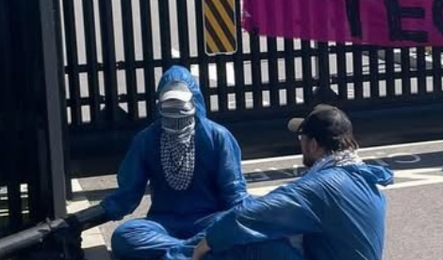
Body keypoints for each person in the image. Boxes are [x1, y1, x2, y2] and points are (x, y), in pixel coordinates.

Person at [190, 104, 394, 260]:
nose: (301, 146)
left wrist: (202, 247)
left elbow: (246, 217)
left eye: (301, 139)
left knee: (250, 243)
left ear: (313, 144)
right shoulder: (363, 177)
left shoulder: (323, 186)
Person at [105, 65, 249, 260]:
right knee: (124, 236)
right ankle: (196, 251)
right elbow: (126, 195)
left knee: (235, 226)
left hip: (209, 219)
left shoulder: (217, 136)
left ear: (194, 101)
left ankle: (182, 253)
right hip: (164, 222)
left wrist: (257, 216)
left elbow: (234, 192)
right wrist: (81, 220)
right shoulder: (147, 139)